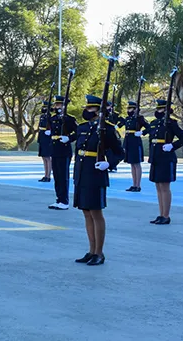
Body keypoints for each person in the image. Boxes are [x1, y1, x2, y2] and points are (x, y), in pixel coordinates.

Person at [73, 94, 123, 266]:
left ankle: (99, 253)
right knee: (86, 212)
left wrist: (108, 164)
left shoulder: (107, 129)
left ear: (98, 111)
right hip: (82, 172)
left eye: (90, 108)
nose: (86, 111)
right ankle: (91, 250)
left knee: (96, 213)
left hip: (95, 173)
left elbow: (119, 152)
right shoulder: (82, 127)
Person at [147, 99, 183, 224]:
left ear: (166, 111)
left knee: (164, 187)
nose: (158, 111)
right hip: (156, 157)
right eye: (157, 109)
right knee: (158, 187)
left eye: (161, 109)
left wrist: (172, 146)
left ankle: (166, 215)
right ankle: (160, 214)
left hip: (166, 157)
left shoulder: (171, 123)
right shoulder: (154, 123)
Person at [48, 95, 78, 210]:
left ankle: (64, 201)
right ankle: (59, 199)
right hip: (55, 149)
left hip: (64, 149)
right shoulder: (53, 118)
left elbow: (78, 132)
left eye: (59, 104)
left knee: (63, 176)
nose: (56, 106)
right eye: (55, 104)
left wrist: (69, 138)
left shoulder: (70, 119)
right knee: (56, 175)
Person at [122, 100, 149, 192]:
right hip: (129, 141)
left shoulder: (140, 118)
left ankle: (138, 185)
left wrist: (142, 132)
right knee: (132, 164)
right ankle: (134, 184)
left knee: (137, 164)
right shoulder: (128, 119)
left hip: (135, 141)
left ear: (135, 109)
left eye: (130, 108)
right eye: (128, 108)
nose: (129, 110)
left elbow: (149, 127)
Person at [38, 101, 53, 182]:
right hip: (42, 136)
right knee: (44, 157)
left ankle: (48, 176)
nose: (43, 109)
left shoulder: (50, 116)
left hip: (47, 137)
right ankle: (45, 174)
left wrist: (50, 132)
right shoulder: (42, 116)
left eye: (45, 107)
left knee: (48, 157)